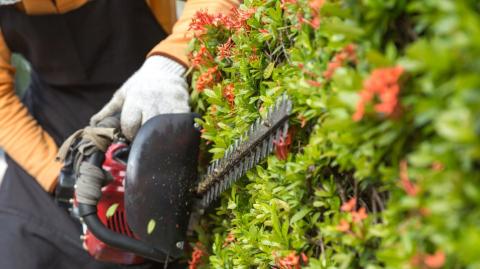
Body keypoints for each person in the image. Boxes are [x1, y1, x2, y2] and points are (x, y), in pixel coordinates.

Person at [0, 0, 239, 268]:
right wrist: (58, 175)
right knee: (19, 252)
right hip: (53, 128)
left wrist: (170, 62)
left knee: (148, 247)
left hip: (150, 101)